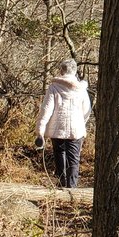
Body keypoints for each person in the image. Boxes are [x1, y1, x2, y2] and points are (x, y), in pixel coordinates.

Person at [35, 59, 92, 188]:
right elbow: (86, 109)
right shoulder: (81, 89)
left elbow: (46, 109)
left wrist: (40, 129)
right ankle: (72, 187)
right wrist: (82, 123)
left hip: (57, 128)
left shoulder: (54, 87)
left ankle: (61, 184)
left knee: (59, 154)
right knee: (74, 158)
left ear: (61, 70)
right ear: (75, 71)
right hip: (76, 129)